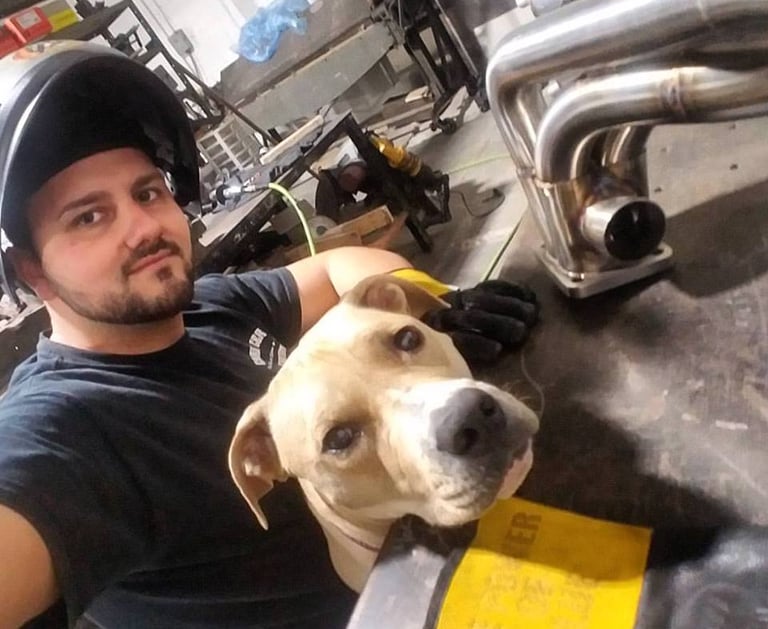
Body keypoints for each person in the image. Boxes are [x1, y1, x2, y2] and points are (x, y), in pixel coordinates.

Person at [0, 41, 538, 628]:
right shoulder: (66, 428)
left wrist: (436, 304)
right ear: (33, 273)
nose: (142, 228)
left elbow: (339, 269)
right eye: (89, 216)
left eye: (147, 192)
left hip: (452, 559)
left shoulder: (210, 308)